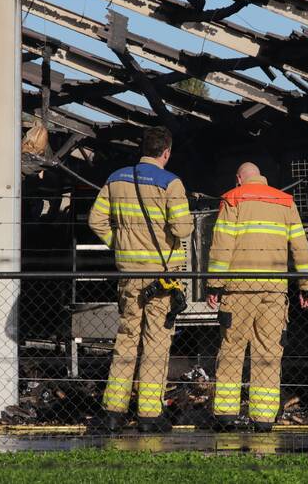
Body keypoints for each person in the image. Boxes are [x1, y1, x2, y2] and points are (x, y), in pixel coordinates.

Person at [88, 126, 193, 432]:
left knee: (126, 340)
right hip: (161, 280)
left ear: (142, 149)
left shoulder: (116, 179)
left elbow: (95, 220)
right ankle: (149, 415)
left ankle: (113, 412)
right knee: (156, 342)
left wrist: (118, 243)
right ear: (167, 152)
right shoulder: (171, 183)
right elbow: (182, 230)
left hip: (128, 275)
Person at [206, 162, 308, 432]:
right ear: (262, 178)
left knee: (232, 350)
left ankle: (225, 416)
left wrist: (214, 285)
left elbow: (222, 245)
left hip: (239, 289)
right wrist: (307, 285)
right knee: (268, 352)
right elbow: (300, 247)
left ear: (239, 178)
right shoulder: (285, 202)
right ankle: (264, 419)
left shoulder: (233, 199)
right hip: (274, 291)